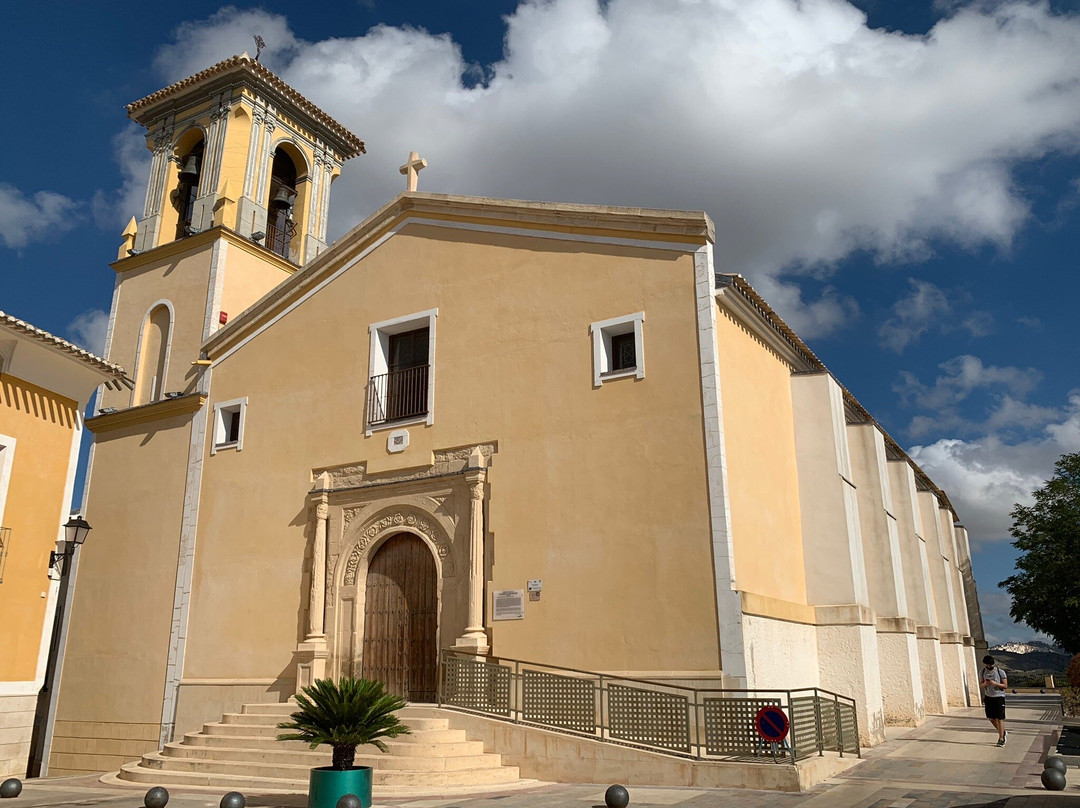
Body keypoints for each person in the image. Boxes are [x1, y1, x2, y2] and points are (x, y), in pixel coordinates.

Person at [980, 654, 1008, 746]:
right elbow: (981, 685)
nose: (989, 667)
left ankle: (1001, 738)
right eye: (987, 665)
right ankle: (1002, 731)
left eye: (990, 665)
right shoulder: (982, 672)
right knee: (991, 718)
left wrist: (994, 683)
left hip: (999, 697)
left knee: (999, 718)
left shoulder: (1000, 672)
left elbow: (1005, 686)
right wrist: (986, 683)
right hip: (988, 697)